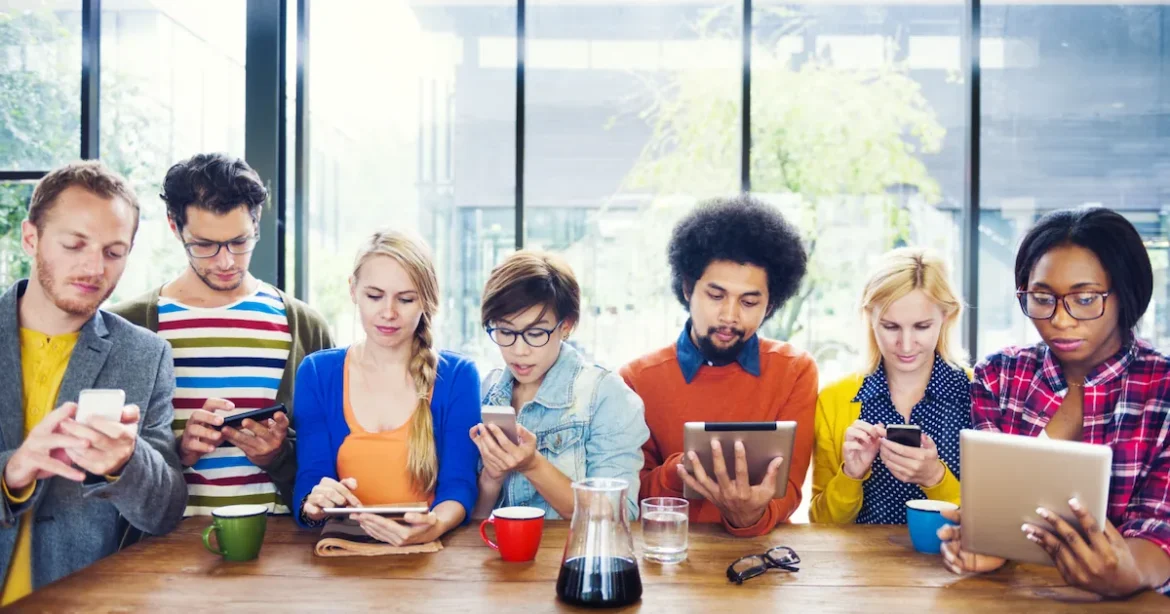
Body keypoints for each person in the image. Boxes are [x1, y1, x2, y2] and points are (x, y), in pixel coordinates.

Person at [939, 207, 1170, 598]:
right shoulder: (999, 375)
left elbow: (1160, 530)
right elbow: (1000, 509)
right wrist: (989, 545)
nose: (1060, 320)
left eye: (1084, 299)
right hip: (1013, 599)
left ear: (1125, 294)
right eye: (1042, 298)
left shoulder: (1162, 388)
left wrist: (1128, 571)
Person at [0, 161, 186, 605]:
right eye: (74, 244)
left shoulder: (146, 355)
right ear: (31, 238)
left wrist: (127, 461)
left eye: (113, 251)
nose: (93, 267)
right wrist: (13, 470)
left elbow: (165, 511)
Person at [111, 154, 333, 516]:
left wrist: (278, 456)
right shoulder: (129, 327)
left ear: (257, 224)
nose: (226, 260)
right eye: (204, 245)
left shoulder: (306, 327)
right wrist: (178, 452)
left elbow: (331, 462)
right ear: (174, 226)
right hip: (157, 556)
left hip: (282, 551)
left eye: (239, 242)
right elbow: (103, 472)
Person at [621, 195, 817, 537]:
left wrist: (748, 514)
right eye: (716, 296)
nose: (729, 315)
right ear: (687, 289)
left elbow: (789, 493)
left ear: (770, 305)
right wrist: (677, 471)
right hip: (666, 553)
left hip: (759, 558)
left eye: (749, 301)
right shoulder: (637, 379)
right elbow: (631, 494)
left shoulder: (794, 371)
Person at [292, 230, 480, 546]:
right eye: (374, 296)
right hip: (342, 554)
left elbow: (459, 485)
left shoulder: (458, 375)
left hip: (430, 554)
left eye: (406, 299)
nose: (389, 313)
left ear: (428, 300)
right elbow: (310, 476)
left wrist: (435, 525)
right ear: (353, 290)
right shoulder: (316, 373)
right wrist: (313, 504)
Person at [470, 251, 649, 520]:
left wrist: (532, 465)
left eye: (535, 333)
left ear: (566, 326)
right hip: (498, 559)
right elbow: (469, 527)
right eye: (505, 332)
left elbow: (617, 516)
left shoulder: (607, 397)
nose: (519, 350)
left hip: (570, 561)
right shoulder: (484, 392)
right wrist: (491, 479)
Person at [810, 247, 970, 524]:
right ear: (869, 318)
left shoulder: (977, 393)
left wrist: (935, 478)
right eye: (891, 326)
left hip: (952, 563)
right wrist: (851, 475)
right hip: (864, 567)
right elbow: (822, 524)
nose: (906, 345)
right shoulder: (835, 400)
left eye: (921, 327)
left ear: (946, 317)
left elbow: (993, 521)